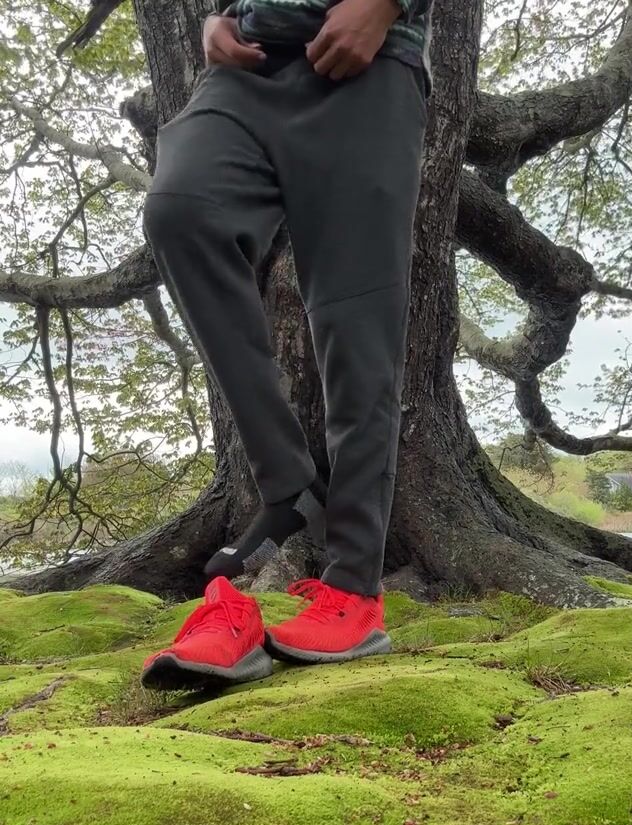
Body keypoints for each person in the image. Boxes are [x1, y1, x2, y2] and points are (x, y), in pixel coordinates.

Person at [141, 0, 433, 691]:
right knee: (179, 211)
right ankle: (288, 483)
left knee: (356, 325)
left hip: (365, 62)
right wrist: (218, 18)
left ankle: (354, 588)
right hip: (245, 67)